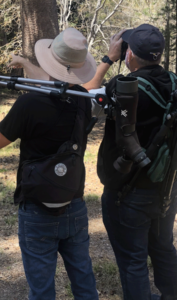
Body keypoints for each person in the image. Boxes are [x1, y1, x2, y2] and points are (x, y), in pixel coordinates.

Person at [0, 27, 99, 300]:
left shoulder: (29, 105)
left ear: (51, 60)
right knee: (85, 284)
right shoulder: (82, 101)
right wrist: (24, 64)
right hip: (74, 206)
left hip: (37, 212)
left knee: (42, 291)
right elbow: (50, 83)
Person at [83, 24, 177, 300]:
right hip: (166, 188)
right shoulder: (174, 82)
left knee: (133, 261)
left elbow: (85, 99)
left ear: (130, 54)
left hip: (128, 192)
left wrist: (108, 59)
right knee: (163, 248)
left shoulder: (123, 86)